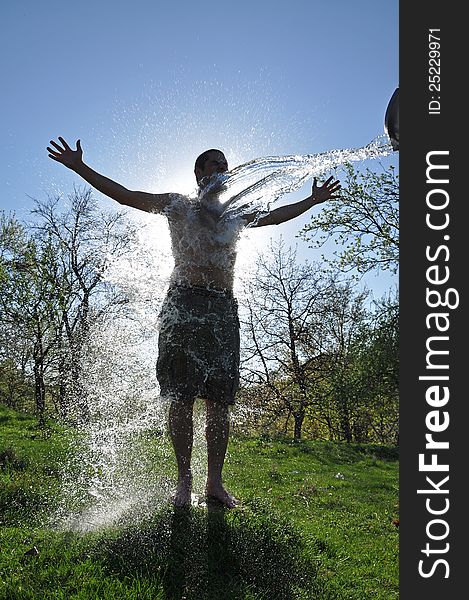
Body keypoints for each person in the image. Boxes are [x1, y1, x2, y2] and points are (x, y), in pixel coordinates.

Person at [47, 137, 341, 508]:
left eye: (225, 165)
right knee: (180, 396)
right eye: (214, 164)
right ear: (199, 173)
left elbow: (276, 216)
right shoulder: (177, 206)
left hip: (222, 308)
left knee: (220, 400)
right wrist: (80, 167)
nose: (222, 169)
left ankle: (214, 483)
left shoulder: (236, 214)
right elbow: (125, 195)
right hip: (183, 303)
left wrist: (312, 201)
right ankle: (184, 480)